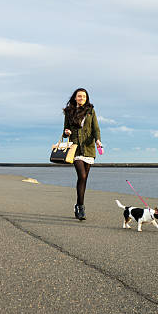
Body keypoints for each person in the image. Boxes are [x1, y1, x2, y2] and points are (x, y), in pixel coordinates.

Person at [63, 88, 102, 220]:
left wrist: (98, 140)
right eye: (79, 96)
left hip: (89, 147)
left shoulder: (91, 111)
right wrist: (67, 132)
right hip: (75, 148)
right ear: (75, 98)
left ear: (87, 98)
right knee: (82, 175)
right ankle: (80, 207)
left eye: (84, 96)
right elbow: (65, 130)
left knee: (83, 179)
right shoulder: (69, 112)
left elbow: (95, 128)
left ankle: (79, 205)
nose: (81, 98)